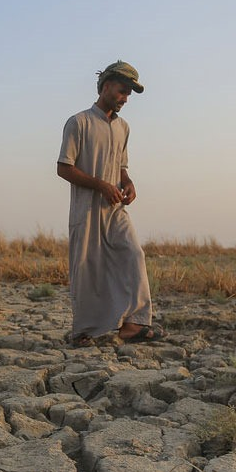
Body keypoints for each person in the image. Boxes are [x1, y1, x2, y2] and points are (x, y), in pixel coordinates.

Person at [56, 60, 162, 347]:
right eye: (122, 90)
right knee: (88, 267)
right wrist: (100, 185)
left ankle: (134, 324)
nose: (125, 98)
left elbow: (121, 166)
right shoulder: (78, 122)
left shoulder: (123, 128)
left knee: (132, 254)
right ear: (105, 86)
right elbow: (64, 168)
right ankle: (83, 332)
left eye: (129, 94)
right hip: (87, 209)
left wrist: (127, 182)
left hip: (115, 209)